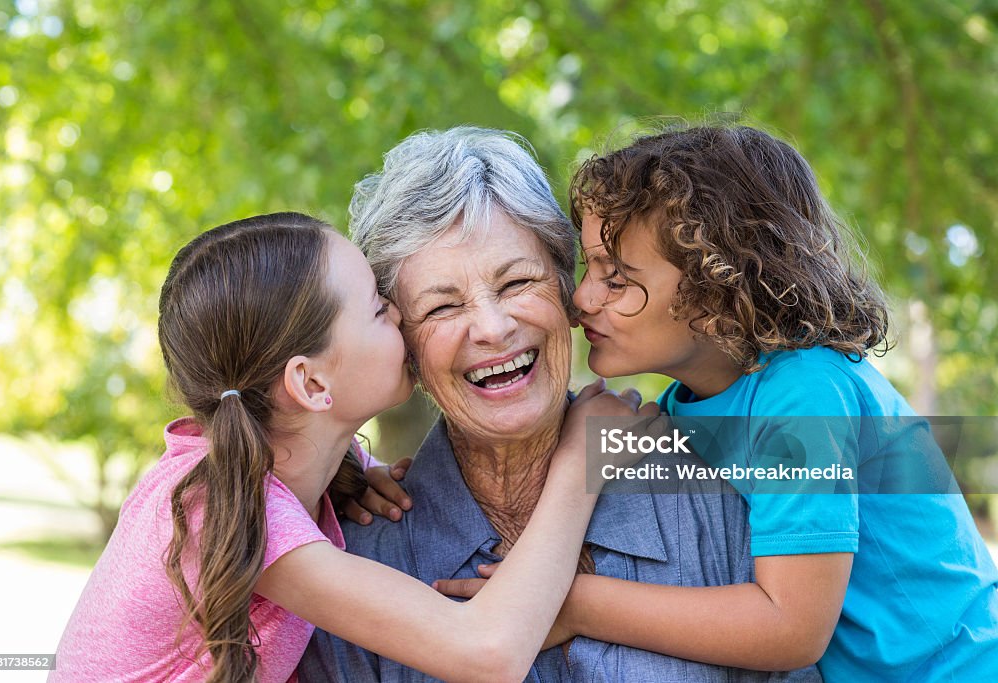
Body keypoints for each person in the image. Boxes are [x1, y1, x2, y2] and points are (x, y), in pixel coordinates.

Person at [300, 127, 819, 681]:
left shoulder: (724, 482)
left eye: (518, 282)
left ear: (567, 288)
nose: (494, 329)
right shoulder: (353, 561)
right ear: (402, 345)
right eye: (442, 308)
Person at [50, 212, 653, 682]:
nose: (399, 313)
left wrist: (354, 470)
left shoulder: (278, 477)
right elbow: (488, 653)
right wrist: (583, 459)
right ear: (311, 384)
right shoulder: (227, 508)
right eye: (376, 308)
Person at [552, 124, 998, 680]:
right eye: (587, 268)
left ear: (719, 292)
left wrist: (574, 604)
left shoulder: (804, 391)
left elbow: (790, 628)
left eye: (616, 278)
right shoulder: (686, 403)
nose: (580, 298)